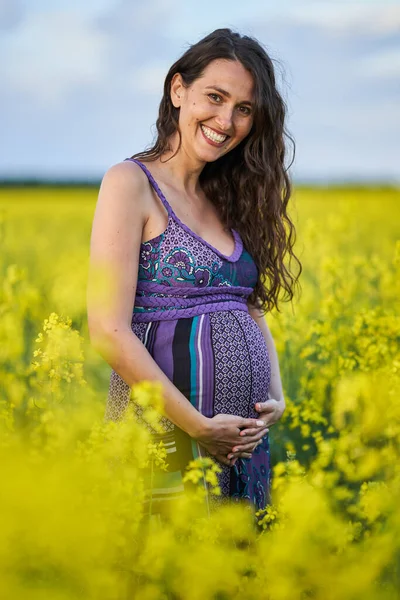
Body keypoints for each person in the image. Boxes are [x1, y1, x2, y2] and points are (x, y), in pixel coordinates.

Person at [87, 28, 301, 518]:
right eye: (215, 97)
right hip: (165, 436)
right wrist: (197, 426)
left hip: (240, 448)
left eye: (244, 109)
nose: (226, 120)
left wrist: (276, 394)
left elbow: (248, 304)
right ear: (178, 90)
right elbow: (108, 329)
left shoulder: (228, 194)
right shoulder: (131, 182)